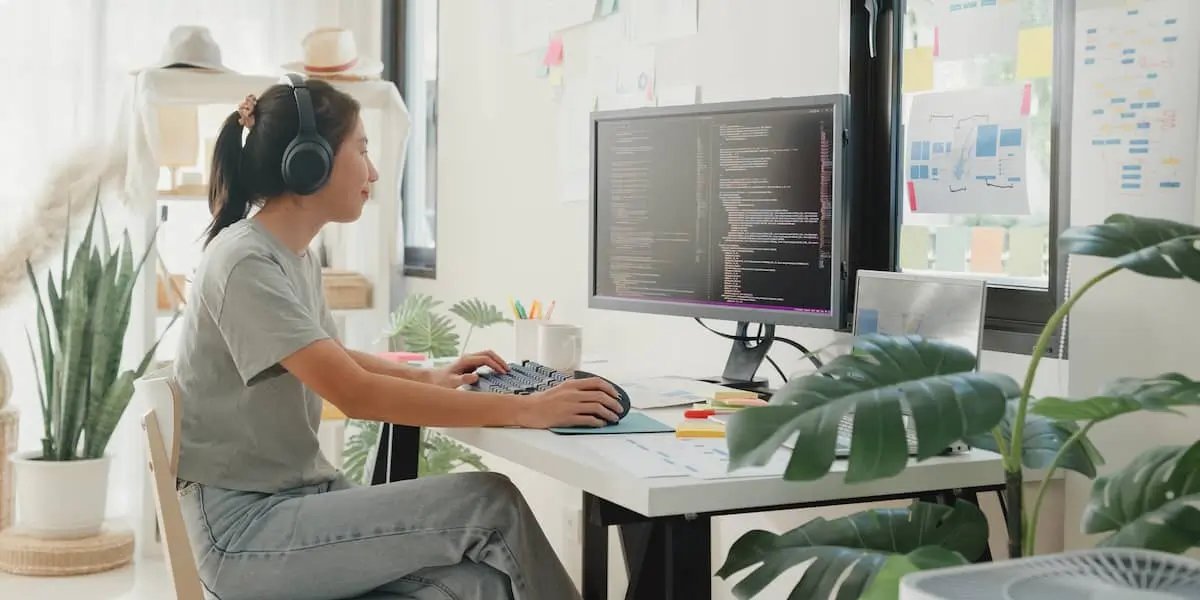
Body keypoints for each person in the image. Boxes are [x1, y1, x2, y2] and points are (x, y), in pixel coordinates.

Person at [171, 75, 623, 600]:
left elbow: (332, 358)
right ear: (309, 162)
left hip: (291, 504)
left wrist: (427, 378)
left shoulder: (292, 256)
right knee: (491, 503)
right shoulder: (244, 262)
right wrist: (526, 409)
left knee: (482, 586)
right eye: (362, 149)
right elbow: (354, 393)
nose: (374, 171)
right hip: (245, 534)